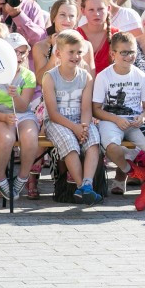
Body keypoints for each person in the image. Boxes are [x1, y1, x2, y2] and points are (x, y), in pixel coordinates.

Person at [92, 31, 145, 211]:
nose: (128, 56)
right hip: (111, 119)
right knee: (112, 148)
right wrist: (115, 119)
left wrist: (143, 117)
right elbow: (96, 109)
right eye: (123, 52)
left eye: (131, 52)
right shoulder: (104, 76)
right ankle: (130, 170)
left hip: (135, 120)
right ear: (113, 54)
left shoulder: (140, 75)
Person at [41, 29, 103, 204]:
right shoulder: (50, 77)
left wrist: (83, 126)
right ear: (59, 53)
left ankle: (87, 185)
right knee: (69, 142)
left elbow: (86, 108)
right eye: (71, 52)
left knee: (93, 139)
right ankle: (79, 184)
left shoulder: (86, 77)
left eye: (79, 52)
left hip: (79, 120)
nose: (76, 56)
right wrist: (75, 128)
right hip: (57, 122)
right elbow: (52, 113)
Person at [0, 32, 38, 201]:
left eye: (22, 52)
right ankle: (0, 178)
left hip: (22, 113)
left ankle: (22, 177)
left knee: (30, 135)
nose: (19, 56)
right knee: (6, 138)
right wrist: (4, 119)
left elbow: (23, 106)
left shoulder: (28, 76)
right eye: (14, 52)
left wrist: (16, 95)